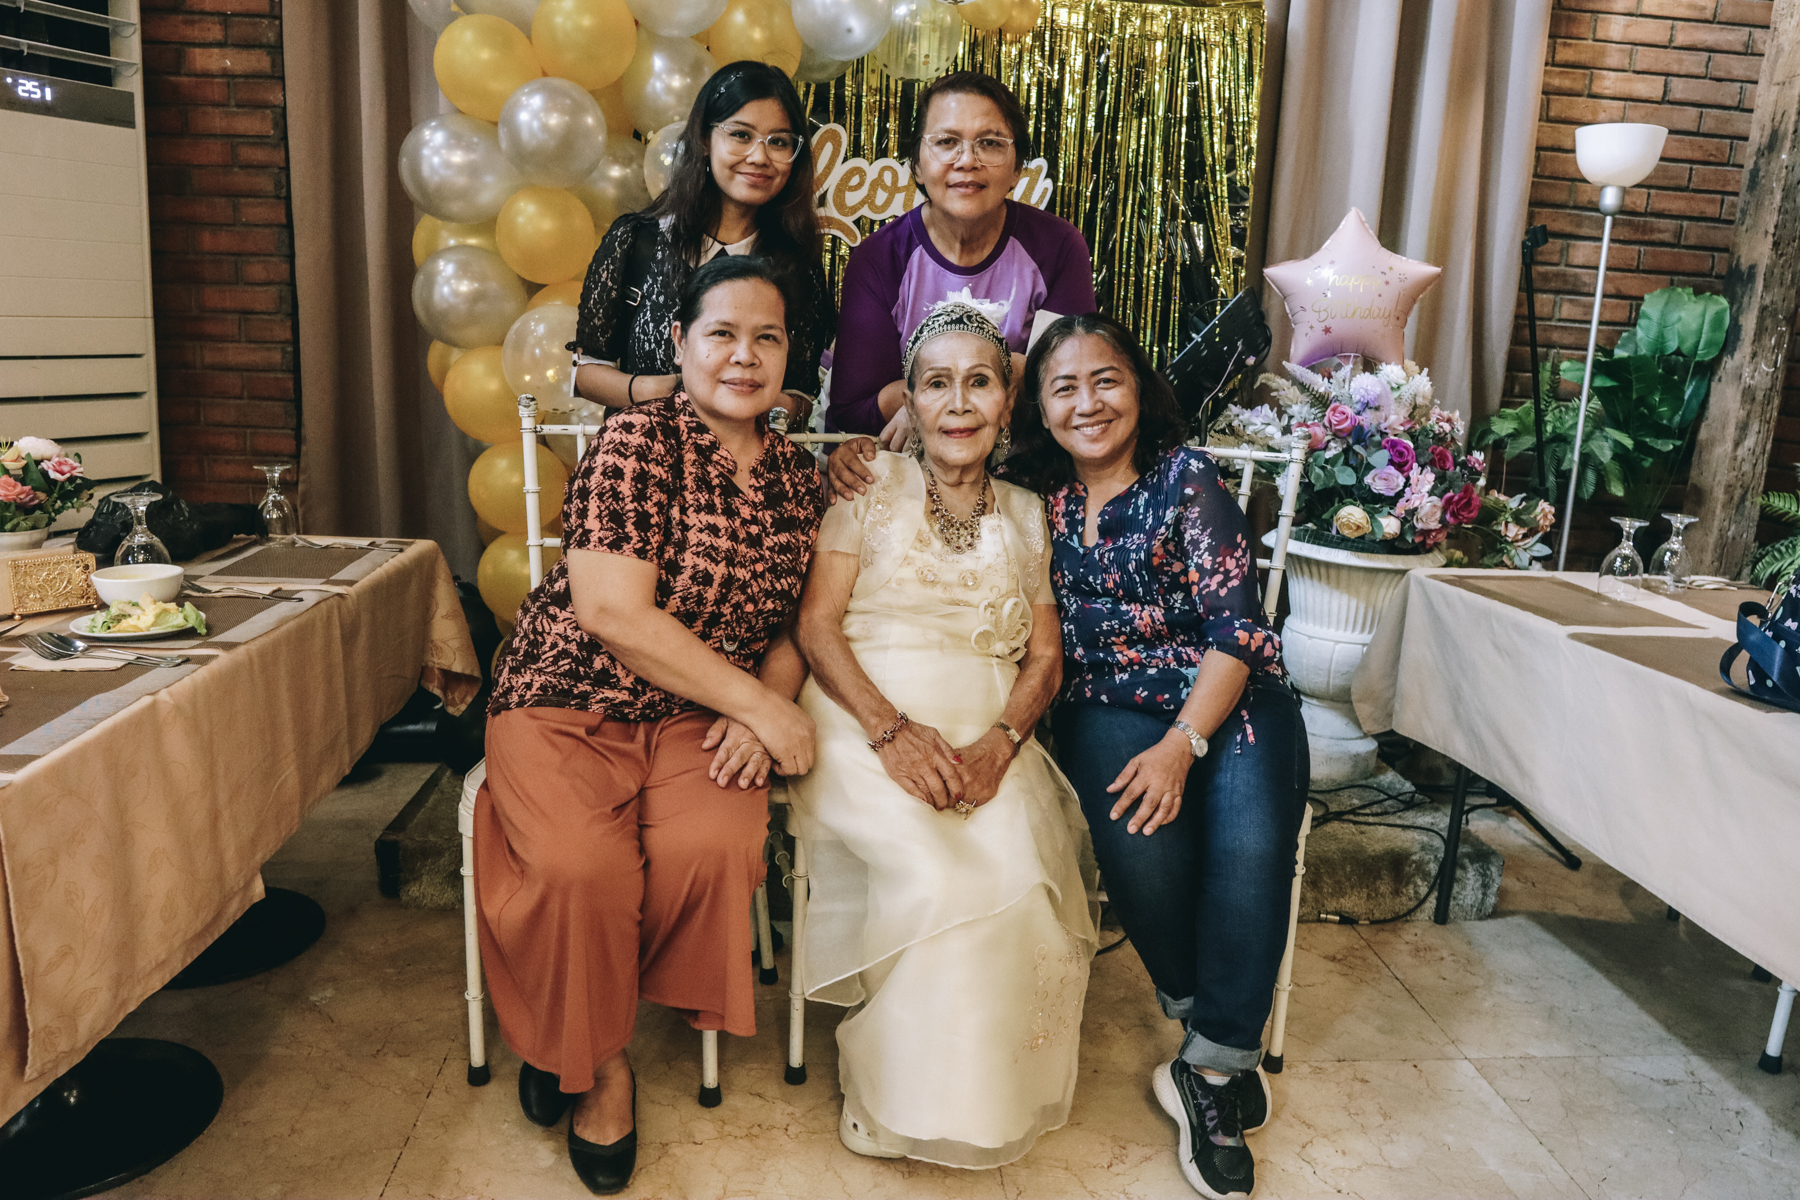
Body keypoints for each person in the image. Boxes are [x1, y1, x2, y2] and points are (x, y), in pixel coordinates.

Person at [826, 313, 1307, 1200]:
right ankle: (1212, 1026)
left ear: (1139, 389)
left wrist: (1182, 745)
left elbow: (1238, 630)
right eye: (1064, 387)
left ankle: (1210, 1068)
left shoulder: (1187, 478)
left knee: (1250, 845)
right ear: (1037, 409)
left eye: (1106, 380)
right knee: (1134, 843)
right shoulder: (1037, 494)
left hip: (1229, 694)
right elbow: (934, 448)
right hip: (1109, 701)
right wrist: (860, 448)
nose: (1088, 403)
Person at [475, 255, 825, 1195]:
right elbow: (611, 612)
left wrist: (760, 705)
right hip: (569, 695)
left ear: (789, 356)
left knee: (714, 847)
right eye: (722, 333)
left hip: (696, 712)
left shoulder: (802, 480)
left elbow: (798, 624)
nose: (744, 356)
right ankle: (596, 1062)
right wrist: (760, 705)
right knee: (577, 869)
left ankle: (570, 1018)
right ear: (679, 342)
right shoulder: (637, 438)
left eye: (766, 338)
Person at [790, 301, 1097, 1168]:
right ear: (910, 400)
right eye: (936, 384)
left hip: (985, 731)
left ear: (1008, 402)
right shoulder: (866, 487)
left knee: (1017, 880)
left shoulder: (1029, 513)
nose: (958, 403)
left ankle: (982, 1101)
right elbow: (817, 627)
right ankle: (890, 1097)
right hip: (862, 715)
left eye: (979, 382)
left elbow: (1045, 656)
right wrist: (890, 733)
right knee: (936, 878)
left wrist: (1002, 743)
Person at [826, 71, 1095, 444]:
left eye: (990, 143)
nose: (967, 160)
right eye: (946, 142)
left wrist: (924, 392)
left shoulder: (1058, 247)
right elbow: (853, 412)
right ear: (916, 164)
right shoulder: (879, 258)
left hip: (1027, 460)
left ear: (1018, 167)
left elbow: (1070, 385)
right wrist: (1013, 370)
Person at [572, 61, 833, 425]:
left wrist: (763, 403)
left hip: (749, 458)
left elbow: (804, 395)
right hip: (645, 452)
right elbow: (585, 372)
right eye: (740, 135)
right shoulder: (636, 240)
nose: (759, 157)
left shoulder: (798, 261)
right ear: (705, 140)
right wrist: (652, 391)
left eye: (778, 142)